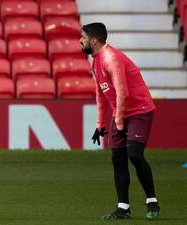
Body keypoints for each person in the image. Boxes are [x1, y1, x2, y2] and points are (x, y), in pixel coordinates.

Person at [80, 22, 160, 220]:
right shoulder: (96, 61)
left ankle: (152, 202)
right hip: (120, 113)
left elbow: (122, 93)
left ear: (94, 40)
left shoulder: (111, 59)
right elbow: (101, 95)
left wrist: (120, 123)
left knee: (134, 154)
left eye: (82, 37)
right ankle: (123, 208)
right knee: (117, 158)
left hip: (139, 110)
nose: (79, 41)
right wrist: (100, 125)